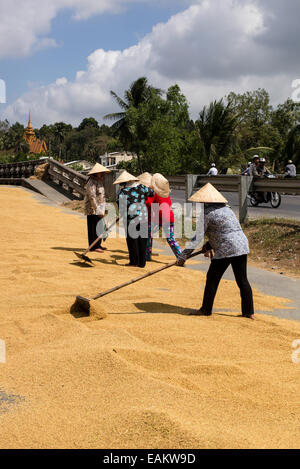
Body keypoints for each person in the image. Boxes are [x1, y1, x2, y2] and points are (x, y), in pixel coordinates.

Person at [177, 183, 254, 320]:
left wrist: (183, 256)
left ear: (205, 201)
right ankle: (249, 312)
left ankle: (206, 309)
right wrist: (209, 245)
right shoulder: (227, 209)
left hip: (226, 248)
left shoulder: (207, 214)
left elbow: (197, 238)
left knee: (212, 278)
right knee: (242, 280)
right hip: (241, 245)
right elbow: (223, 230)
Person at [114, 170, 154, 268]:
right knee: (142, 240)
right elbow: (152, 193)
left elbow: (121, 207)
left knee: (133, 240)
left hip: (131, 219)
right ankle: (142, 262)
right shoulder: (142, 187)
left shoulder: (123, 192)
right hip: (143, 218)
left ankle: (134, 262)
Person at [145, 173, 183, 261]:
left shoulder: (153, 192)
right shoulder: (165, 193)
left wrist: (146, 195)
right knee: (170, 238)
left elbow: (148, 203)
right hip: (169, 217)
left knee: (148, 235)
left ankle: (147, 255)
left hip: (158, 218)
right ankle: (181, 256)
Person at [84, 163, 111, 253]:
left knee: (99, 226)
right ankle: (93, 246)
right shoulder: (91, 182)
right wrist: (97, 210)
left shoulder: (99, 181)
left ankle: (98, 244)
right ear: (96, 173)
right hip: (92, 208)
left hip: (100, 207)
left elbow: (101, 195)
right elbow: (92, 197)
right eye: (100, 173)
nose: (102, 174)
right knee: (93, 227)